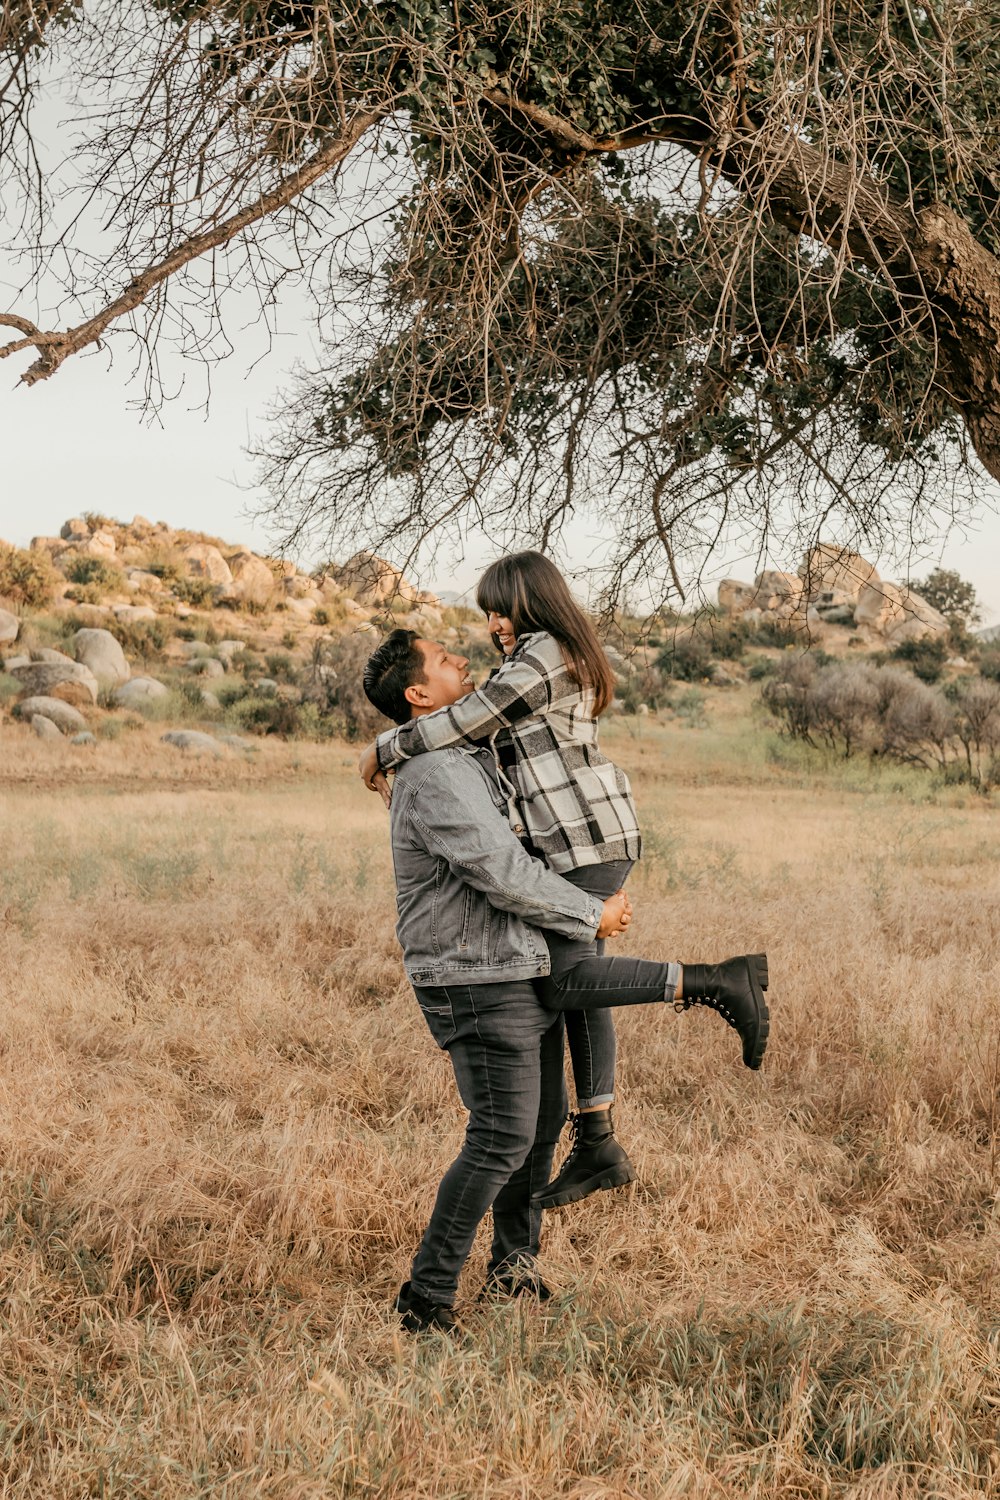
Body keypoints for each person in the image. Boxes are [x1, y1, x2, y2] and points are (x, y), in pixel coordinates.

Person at [362, 629, 769, 1332]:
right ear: (418, 694)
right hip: (473, 974)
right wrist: (592, 913)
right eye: (443, 660)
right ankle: (425, 1302)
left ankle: (514, 1268)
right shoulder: (435, 775)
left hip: (511, 961)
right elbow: (499, 870)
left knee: (541, 1124)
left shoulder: (465, 754)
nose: (463, 659)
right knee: (500, 1138)